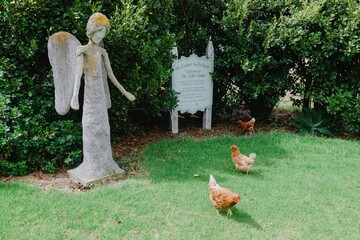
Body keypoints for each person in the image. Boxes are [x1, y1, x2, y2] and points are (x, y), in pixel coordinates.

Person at [67, 13, 135, 185]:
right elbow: (77, 76)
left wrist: (125, 92)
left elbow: (111, 75)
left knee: (104, 129)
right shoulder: (83, 51)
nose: (100, 36)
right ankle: (91, 166)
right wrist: (74, 97)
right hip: (90, 98)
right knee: (90, 129)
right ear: (91, 31)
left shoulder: (103, 53)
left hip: (101, 98)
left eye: (103, 33)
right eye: (98, 32)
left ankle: (107, 163)